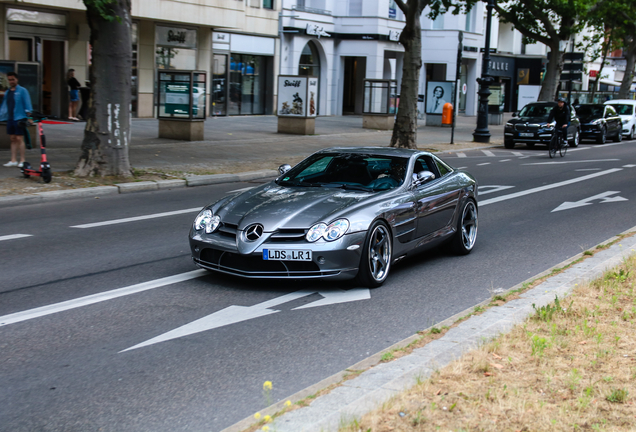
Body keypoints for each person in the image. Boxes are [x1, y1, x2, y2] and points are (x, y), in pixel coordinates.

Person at [0, 72, 33, 168]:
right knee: (12, 139)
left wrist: (29, 116)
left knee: (19, 138)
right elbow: (5, 105)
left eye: (12, 79)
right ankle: (13, 160)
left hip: (19, 117)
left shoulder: (22, 90)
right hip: (10, 118)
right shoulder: (8, 92)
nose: (11, 81)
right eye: (9, 80)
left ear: (16, 79)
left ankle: (22, 160)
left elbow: (27, 104)